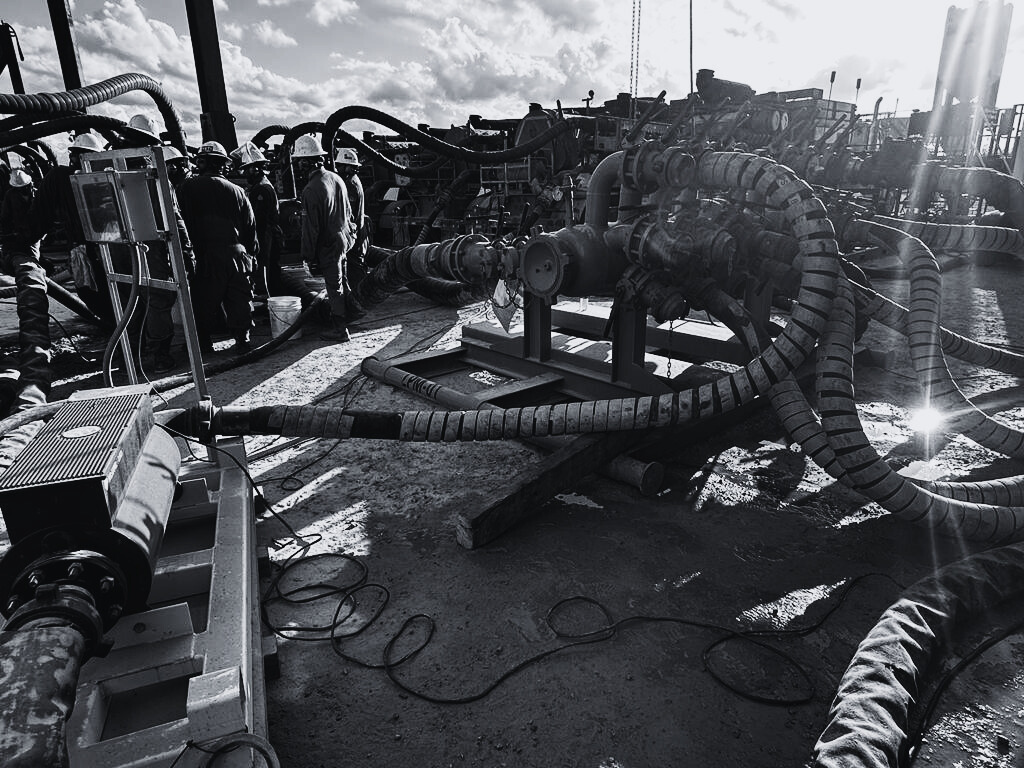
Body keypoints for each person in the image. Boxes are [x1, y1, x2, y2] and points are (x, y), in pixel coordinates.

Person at [176, 140, 259, 354]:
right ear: (223, 165)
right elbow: (250, 228)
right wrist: (250, 253)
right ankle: (242, 341)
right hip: (237, 254)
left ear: (203, 162)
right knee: (239, 298)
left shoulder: (186, 188)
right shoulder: (239, 191)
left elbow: (179, 223)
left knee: (202, 300)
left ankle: (203, 344)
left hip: (204, 255)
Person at [28, 131, 113, 324]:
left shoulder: (61, 177)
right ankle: (119, 330)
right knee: (99, 294)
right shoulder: (106, 177)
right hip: (101, 250)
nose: (72, 158)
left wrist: (24, 242)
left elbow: (40, 214)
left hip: (88, 249)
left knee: (92, 293)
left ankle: (116, 329)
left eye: (74, 154)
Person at [294, 134, 355, 341]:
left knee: (334, 286)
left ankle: (340, 330)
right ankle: (349, 317)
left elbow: (310, 229)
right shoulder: (336, 178)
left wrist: (307, 256)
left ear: (305, 161)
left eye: (299, 160)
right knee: (343, 281)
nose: (297, 165)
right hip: (344, 239)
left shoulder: (311, 190)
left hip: (328, 244)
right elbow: (348, 213)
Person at [0, 169, 50, 414]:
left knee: (32, 277)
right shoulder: (11, 196)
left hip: (29, 245)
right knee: (31, 292)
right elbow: (5, 220)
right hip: (17, 246)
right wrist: (11, 241)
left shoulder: (35, 193)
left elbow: (42, 218)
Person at [235, 141, 281, 298]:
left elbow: (259, 221)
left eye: (246, 170)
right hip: (269, 235)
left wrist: (253, 245)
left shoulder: (260, 189)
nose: (245, 174)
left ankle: (271, 304)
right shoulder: (262, 185)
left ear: (254, 169)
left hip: (266, 237)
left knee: (265, 273)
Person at [334, 148, 370, 309]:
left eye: (341, 166)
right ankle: (361, 298)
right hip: (359, 229)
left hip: (354, 231)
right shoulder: (353, 179)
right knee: (357, 265)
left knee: (354, 267)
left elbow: (347, 214)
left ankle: (359, 302)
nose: (338, 169)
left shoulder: (349, 184)